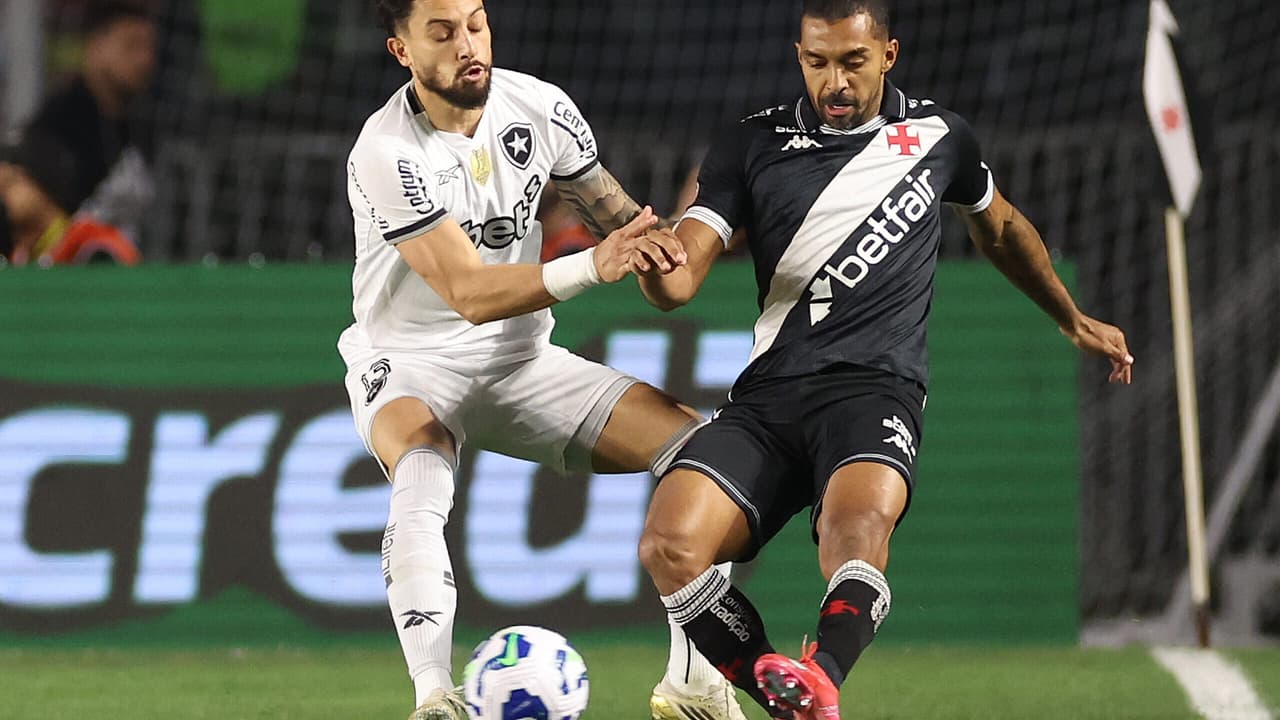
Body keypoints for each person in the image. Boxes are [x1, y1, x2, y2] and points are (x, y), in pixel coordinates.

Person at [632, 2, 1135, 718]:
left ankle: (824, 673)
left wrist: (1070, 316)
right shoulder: (751, 144)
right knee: (668, 545)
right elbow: (679, 282)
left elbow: (1003, 231)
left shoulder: (939, 137)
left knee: (855, 533)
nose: (834, 81)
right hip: (768, 400)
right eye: (817, 62)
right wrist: (653, 262)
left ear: (888, 54)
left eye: (852, 62)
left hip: (874, 392)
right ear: (798, 54)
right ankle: (778, 686)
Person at [345, 2, 746, 719]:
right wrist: (594, 264)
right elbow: (467, 291)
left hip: (522, 360)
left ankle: (694, 684)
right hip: (411, 363)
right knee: (421, 467)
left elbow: (630, 232)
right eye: (441, 32)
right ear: (400, 50)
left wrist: (679, 247)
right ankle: (435, 697)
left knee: (712, 456)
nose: (468, 44)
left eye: (476, 23)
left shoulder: (542, 109)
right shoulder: (386, 151)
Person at [0, 0, 155, 265]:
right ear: (95, 47)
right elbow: (24, 205)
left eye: (149, 49)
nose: (144, 60)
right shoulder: (58, 126)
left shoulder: (146, 121)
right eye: (131, 46)